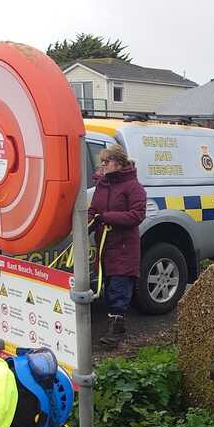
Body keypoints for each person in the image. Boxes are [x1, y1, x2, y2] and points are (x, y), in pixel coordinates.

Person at [89, 145, 146, 347]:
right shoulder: (102, 185)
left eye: (107, 161)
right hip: (105, 246)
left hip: (124, 247)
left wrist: (106, 217)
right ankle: (115, 325)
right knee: (108, 285)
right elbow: (94, 210)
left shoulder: (133, 187)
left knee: (119, 288)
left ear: (119, 164)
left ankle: (116, 329)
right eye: (102, 162)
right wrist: (86, 225)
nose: (103, 165)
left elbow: (137, 215)